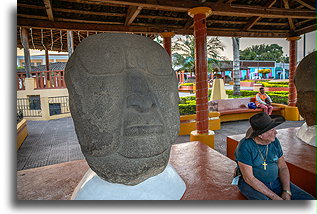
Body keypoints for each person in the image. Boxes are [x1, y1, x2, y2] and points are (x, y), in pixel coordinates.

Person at [234, 112, 315, 200]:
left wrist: (286, 191)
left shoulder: (274, 141)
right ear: (260, 135)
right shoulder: (245, 146)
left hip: (276, 181)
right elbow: (249, 178)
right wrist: (275, 198)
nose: (276, 132)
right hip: (251, 184)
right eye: (272, 130)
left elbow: (282, 167)